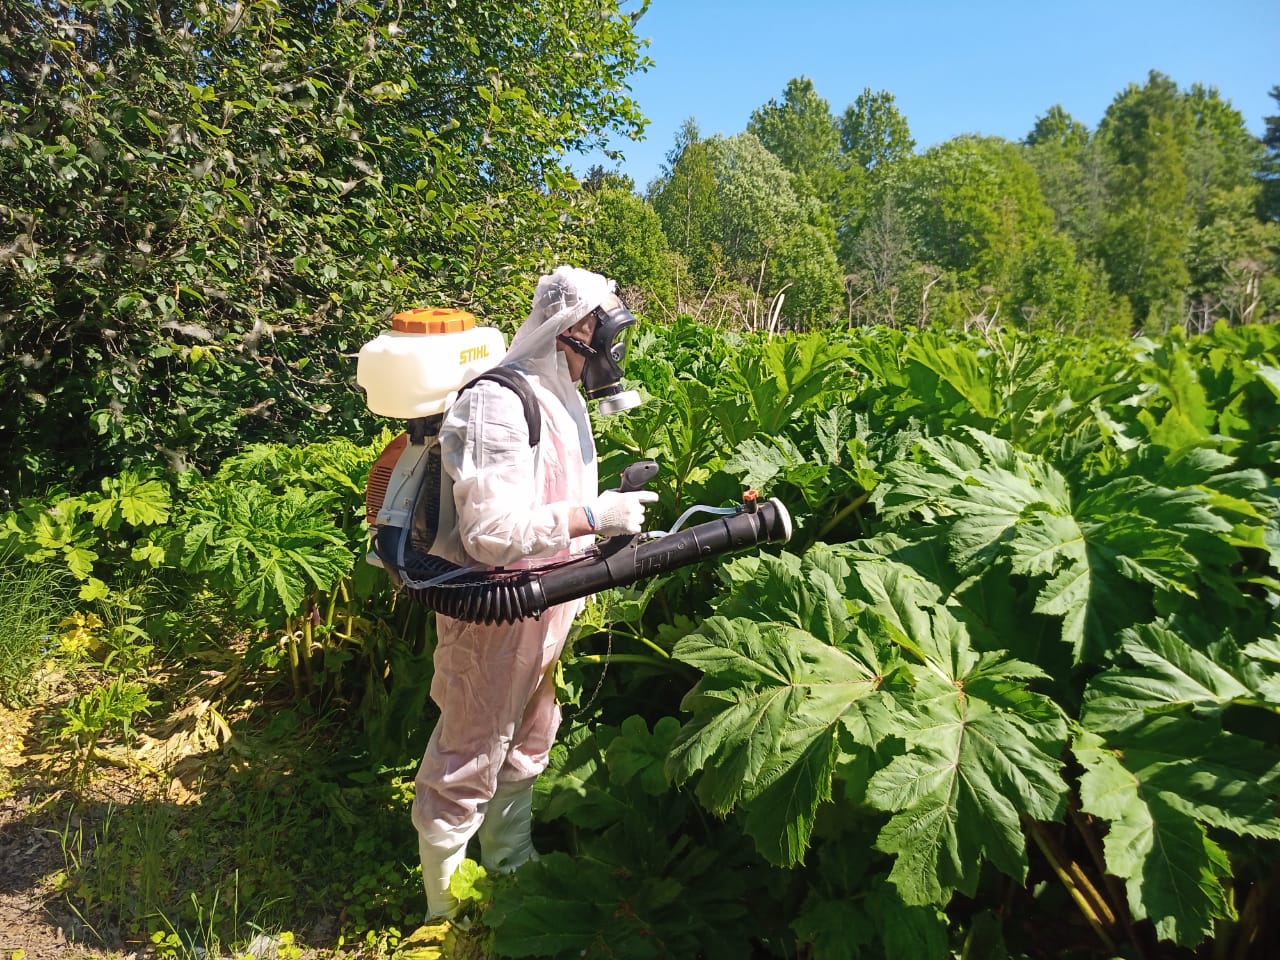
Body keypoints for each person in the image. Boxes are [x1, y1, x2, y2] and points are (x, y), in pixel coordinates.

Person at [410, 266, 657, 922]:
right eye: (606, 332)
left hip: (548, 603)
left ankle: (510, 868)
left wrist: (605, 515)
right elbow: (491, 532)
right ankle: (446, 912)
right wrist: (592, 519)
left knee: (529, 737)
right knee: (469, 749)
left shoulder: (563, 395)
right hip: (494, 609)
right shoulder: (500, 399)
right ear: (572, 327)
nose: (613, 348)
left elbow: (555, 495)